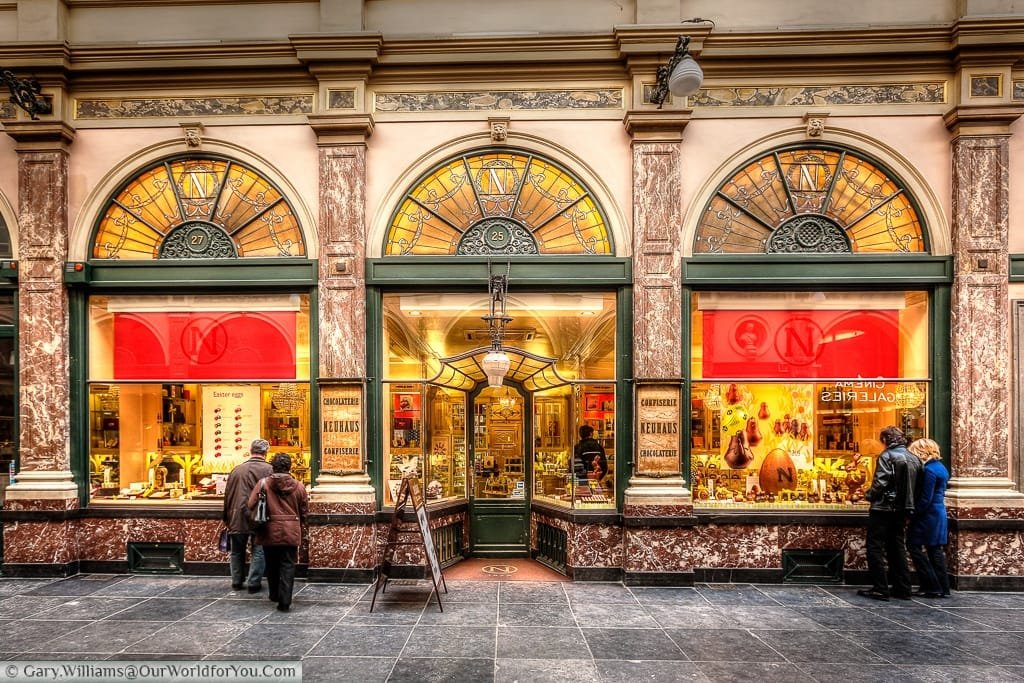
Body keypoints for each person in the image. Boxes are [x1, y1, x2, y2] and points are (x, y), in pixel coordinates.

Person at [858, 426, 922, 601]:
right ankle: (903, 588)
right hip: (903, 510)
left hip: (883, 509)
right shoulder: (915, 458)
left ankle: (880, 587)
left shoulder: (887, 456)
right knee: (897, 547)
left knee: (875, 547)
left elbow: (880, 482)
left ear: (885, 440)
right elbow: (919, 487)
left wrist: (869, 496)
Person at [248, 452, 308, 612]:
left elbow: (251, 503)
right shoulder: (299, 486)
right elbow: (304, 510)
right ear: (289, 467)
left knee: (272, 564)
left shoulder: (263, 484)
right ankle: (285, 601)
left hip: (268, 530)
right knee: (288, 565)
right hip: (291, 531)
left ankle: (274, 594)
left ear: (273, 467)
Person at [222, 438, 273, 593]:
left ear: (251, 451)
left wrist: (226, 517)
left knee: (237, 551)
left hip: (236, 516)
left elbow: (227, 495)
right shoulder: (269, 470)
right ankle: (253, 582)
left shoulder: (236, 470)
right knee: (259, 550)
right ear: (266, 452)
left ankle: (236, 581)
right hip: (259, 517)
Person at [906, 438, 950, 598]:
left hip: (928, 515)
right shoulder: (940, 467)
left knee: (913, 545)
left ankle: (931, 585)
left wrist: (913, 513)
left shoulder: (929, 470)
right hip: (937, 512)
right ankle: (942, 586)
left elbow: (926, 497)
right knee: (934, 550)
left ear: (921, 452)